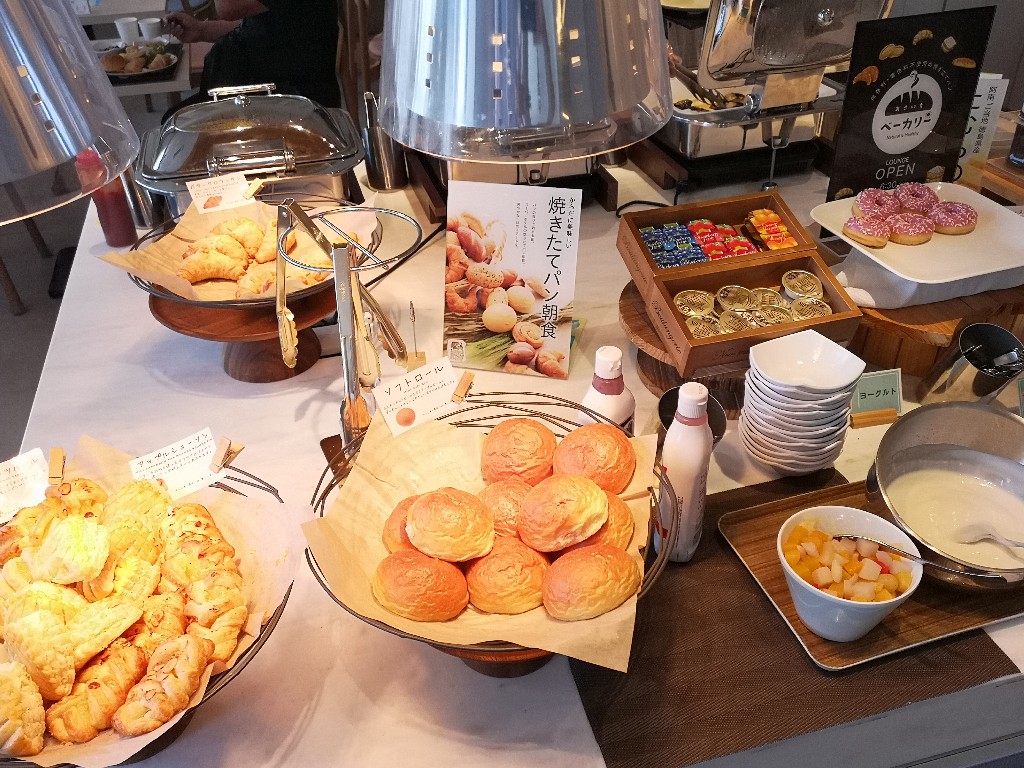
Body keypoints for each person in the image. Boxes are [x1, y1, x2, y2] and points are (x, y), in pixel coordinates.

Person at [163, 0, 341, 117]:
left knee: (175, 128)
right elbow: (258, 27)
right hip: (267, 90)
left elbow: (226, 8)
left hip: (296, 101)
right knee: (172, 122)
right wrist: (202, 29)